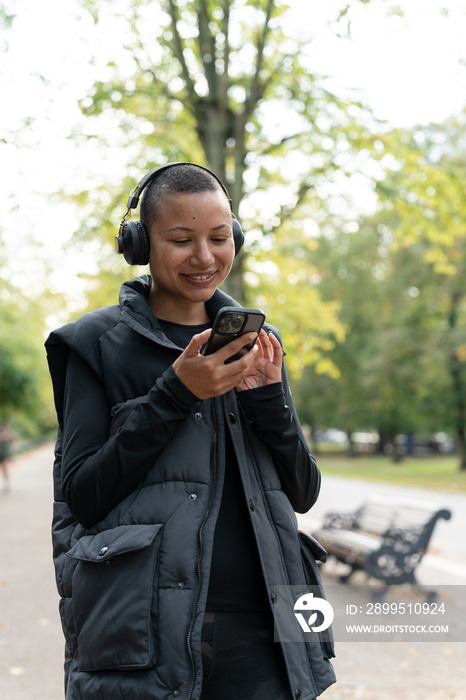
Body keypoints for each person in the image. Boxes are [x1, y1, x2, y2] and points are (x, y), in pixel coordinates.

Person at [46, 163, 335, 700]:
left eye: (219, 238)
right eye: (181, 240)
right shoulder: (92, 345)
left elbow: (303, 492)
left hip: (269, 631)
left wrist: (268, 398)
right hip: (146, 632)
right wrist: (177, 393)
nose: (204, 257)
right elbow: (84, 496)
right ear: (140, 244)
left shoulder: (255, 341)